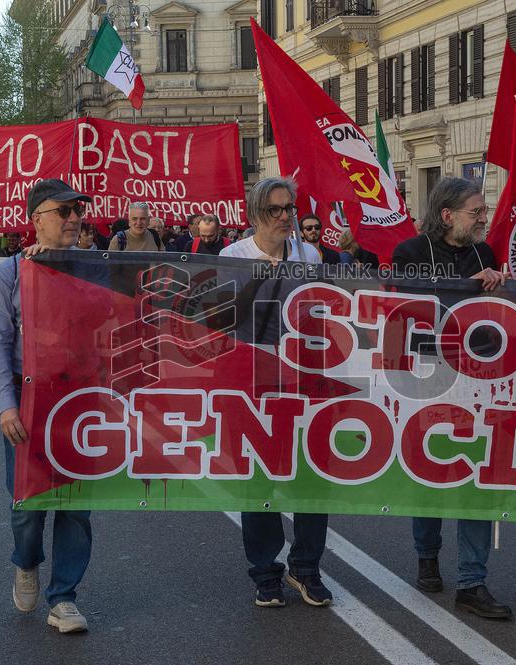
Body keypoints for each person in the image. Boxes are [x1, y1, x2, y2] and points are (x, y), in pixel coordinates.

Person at [390, 177, 510, 620]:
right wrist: (464, 287)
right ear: (447, 216)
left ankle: (472, 581)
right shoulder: (410, 253)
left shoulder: (485, 252)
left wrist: (498, 284)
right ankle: (427, 556)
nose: (483, 219)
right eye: (476, 212)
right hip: (425, 378)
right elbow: (407, 307)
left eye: (483, 211)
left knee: (476, 473)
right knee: (429, 471)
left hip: (479, 377)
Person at [0, 178, 93, 634]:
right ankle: (26, 561)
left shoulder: (95, 267)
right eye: (62, 211)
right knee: (28, 504)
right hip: (28, 402)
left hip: (83, 401)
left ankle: (63, 597)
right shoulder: (10, 272)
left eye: (77, 212)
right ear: (36, 219)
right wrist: (7, 406)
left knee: (77, 505)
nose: (73, 220)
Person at [220, 177, 327, 608]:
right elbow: (221, 317)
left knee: (311, 475)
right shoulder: (234, 255)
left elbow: (322, 313)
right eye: (275, 210)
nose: (285, 217)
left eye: (290, 209)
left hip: (303, 379)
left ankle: (306, 567)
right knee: (259, 478)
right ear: (255, 215)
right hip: (253, 381)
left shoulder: (310, 254)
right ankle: (265, 571)